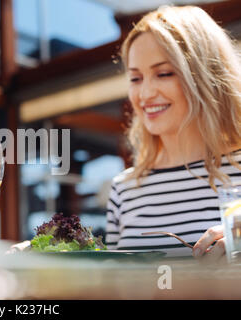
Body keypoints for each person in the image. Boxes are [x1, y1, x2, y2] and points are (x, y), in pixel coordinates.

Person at [106, 5, 241, 263]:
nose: (145, 94)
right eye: (136, 78)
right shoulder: (123, 190)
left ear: (204, 76)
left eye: (164, 74)